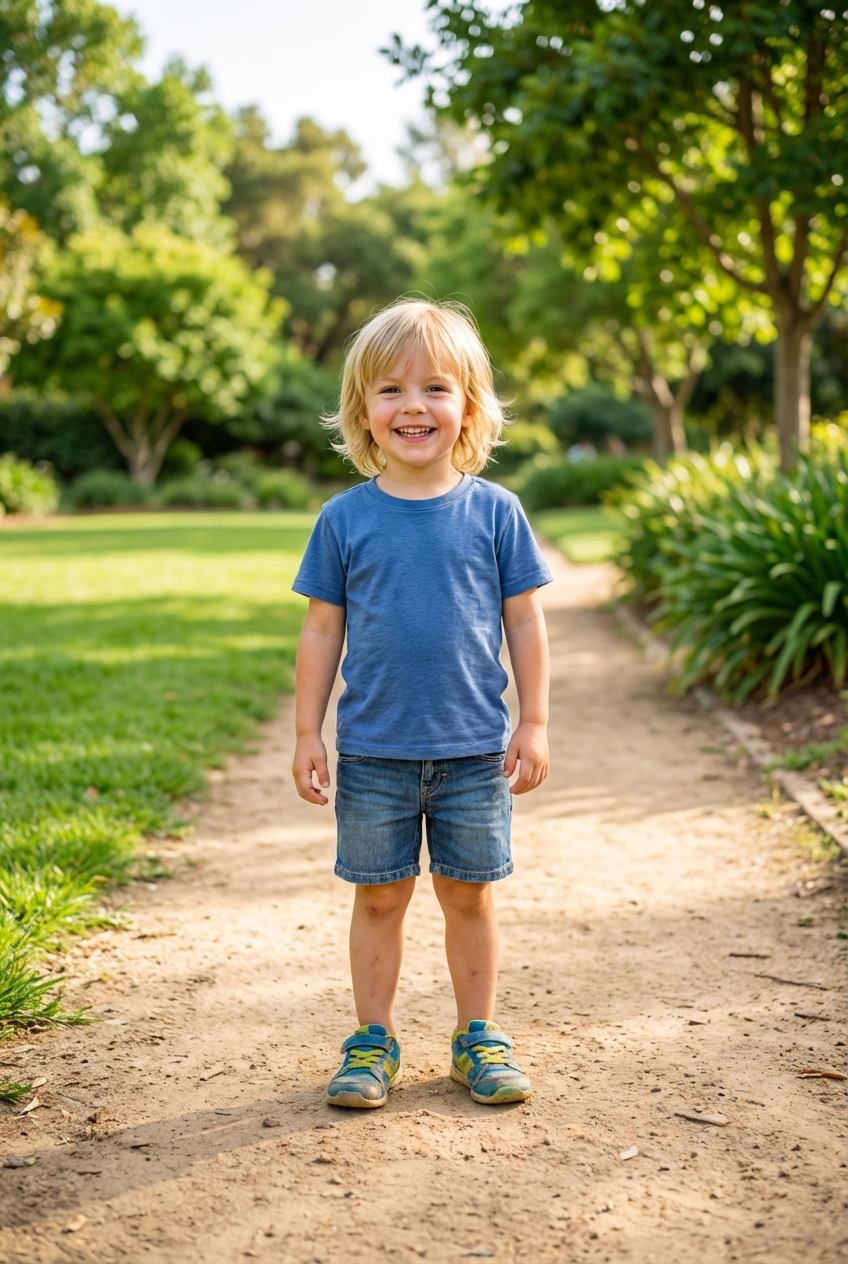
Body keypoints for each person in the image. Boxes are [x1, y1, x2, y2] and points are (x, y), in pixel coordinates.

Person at [291, 299, 551, 1108]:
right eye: (391, 390)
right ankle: (373, 1041)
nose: (413, 406)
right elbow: (321, 630)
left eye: (435, 388)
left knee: (469, 895)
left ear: (468, 407)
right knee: (379, 897)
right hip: (373, 752)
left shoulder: (495, 513)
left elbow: (525, 621)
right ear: (362, 412)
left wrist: (534, 720)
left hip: (473, 750)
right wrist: (309, 731)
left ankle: (479, 1036)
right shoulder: (344, 520)